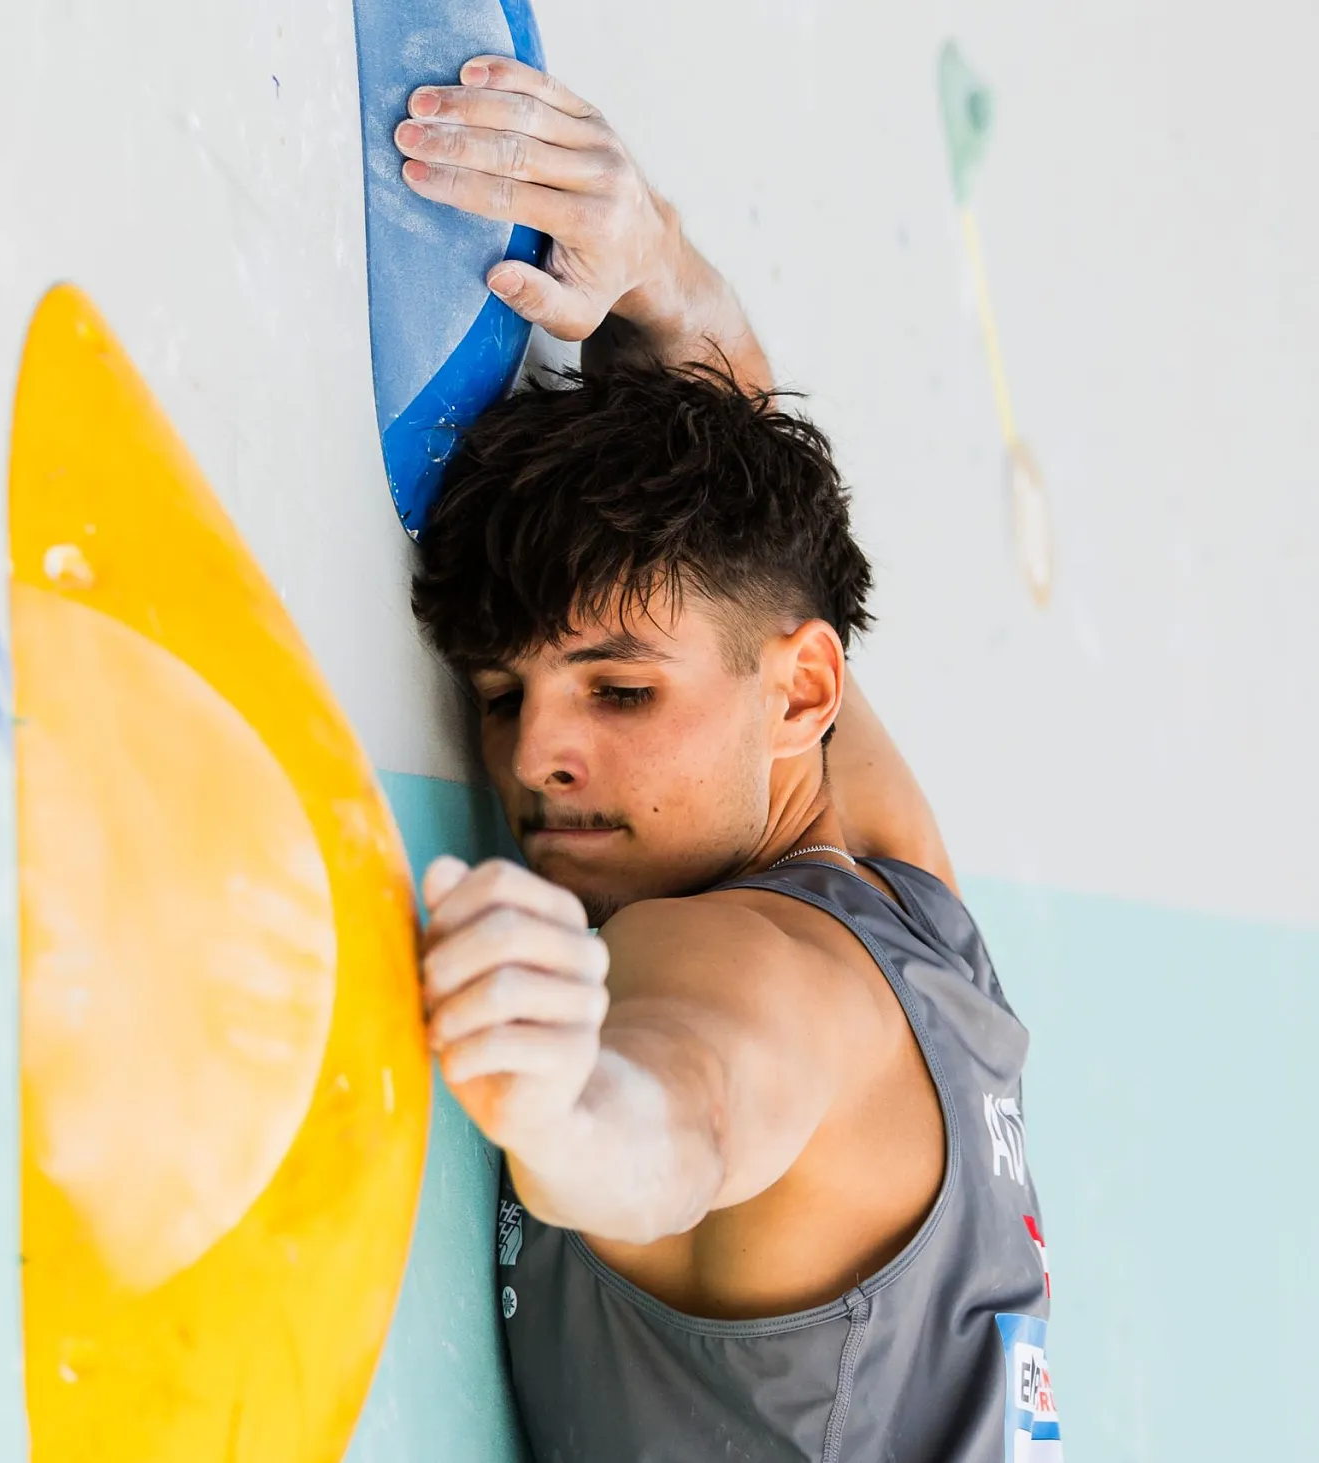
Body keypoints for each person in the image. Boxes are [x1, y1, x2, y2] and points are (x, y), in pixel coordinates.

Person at [396, 57, 1057, 1463]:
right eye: (507, 690)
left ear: (801, 689)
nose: (540, 754)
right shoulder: (894, 877)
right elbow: (739, 498)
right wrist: (658, 261)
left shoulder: (770, 973)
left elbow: (678, 1115)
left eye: (620, 691)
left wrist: (565, 1095)